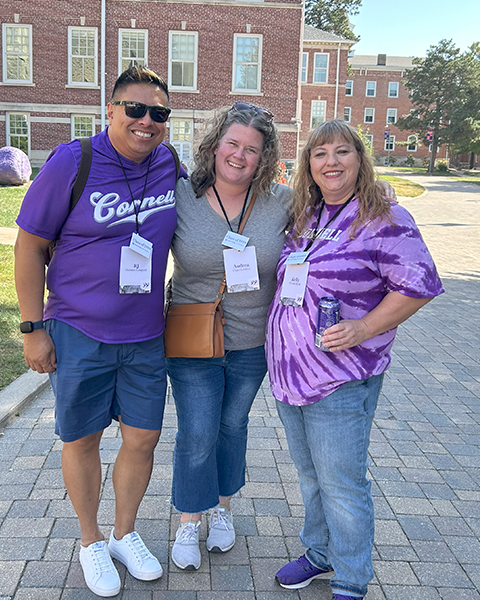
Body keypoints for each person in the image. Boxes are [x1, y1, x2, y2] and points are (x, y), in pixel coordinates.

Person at [13, 65, 182, 598]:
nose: (146, 121)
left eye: (159, 113)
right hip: (78, 330)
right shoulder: (74, 160)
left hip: (145, 333)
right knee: (82, 437)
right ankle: (90, 541)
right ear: (110, 111)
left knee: (144, 437)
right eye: (135, 109)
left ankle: (124, 533)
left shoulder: (169, 164)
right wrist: (32, 328)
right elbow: (29, 246)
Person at [266, 119, 444, 600]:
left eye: (341, 152)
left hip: (341, 377)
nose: (331, 162)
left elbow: (419, 284)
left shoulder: (383, 216)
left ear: (359, 159)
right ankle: (320, 553)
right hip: (290, 375)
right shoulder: (308, 215)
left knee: (342, 483)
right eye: (320, 154)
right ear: (309, 165)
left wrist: (365, 327)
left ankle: (350, 576)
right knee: (310, 476)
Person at [167, 102, 292, 570]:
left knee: (232, 426)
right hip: (190, 335)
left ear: (264, 157)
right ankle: (187, 520)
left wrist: (376, 192)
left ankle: (222, 508)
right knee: (197, 431)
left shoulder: (282, 201)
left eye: (252, 150)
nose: (239, 156)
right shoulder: (181, 195)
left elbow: (335, 210)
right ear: (214, 145)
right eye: (232, 144)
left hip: (252, 342)